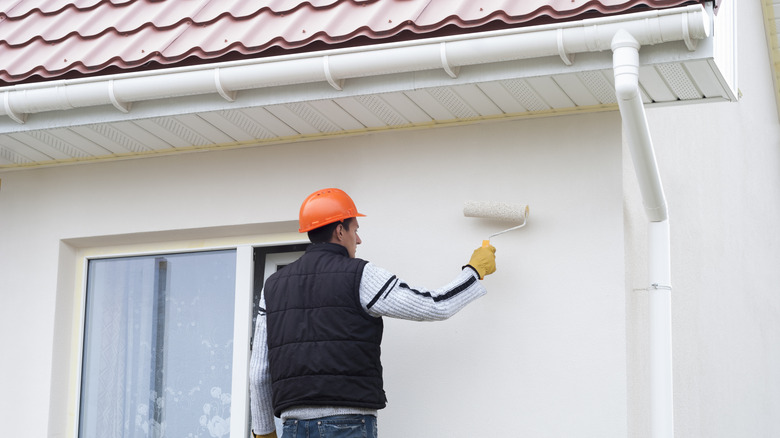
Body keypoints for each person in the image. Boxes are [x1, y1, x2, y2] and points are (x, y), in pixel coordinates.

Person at [249, 188, 496, 438]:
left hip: (292, 428)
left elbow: (259, 373)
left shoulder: (273, 285)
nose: (358, 240)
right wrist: (474, 271)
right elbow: (434, 305)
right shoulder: (360, 275)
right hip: (347, 426)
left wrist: (263, 433)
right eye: (355, 230)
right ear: (339, 230)